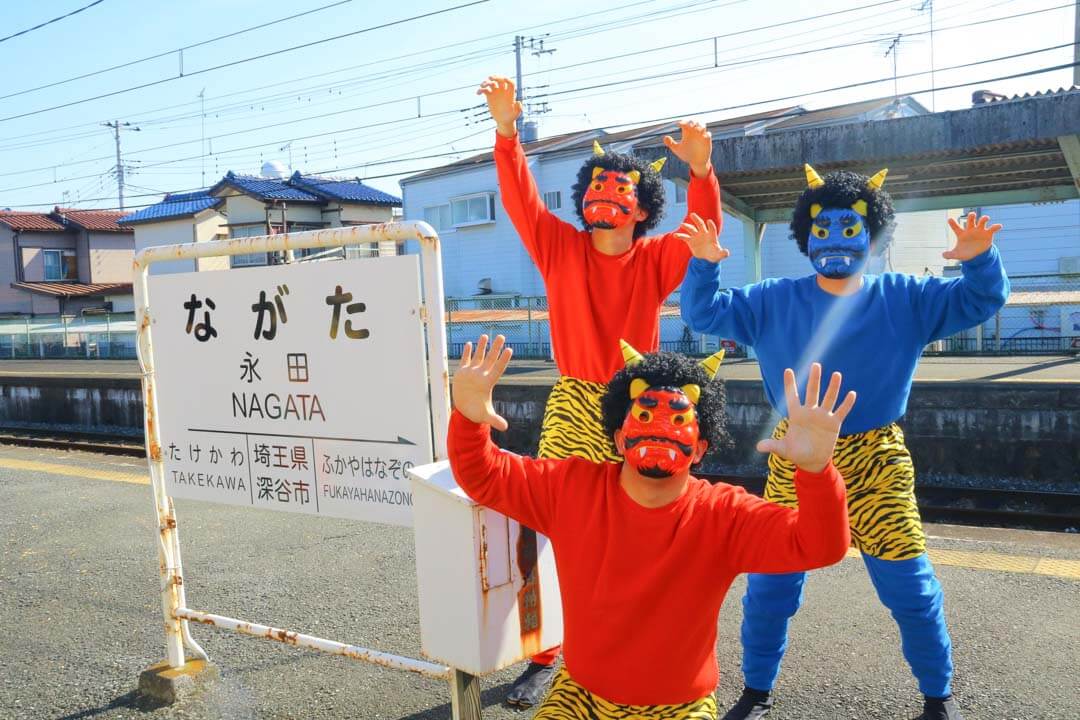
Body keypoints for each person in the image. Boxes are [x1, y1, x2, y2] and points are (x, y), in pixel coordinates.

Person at [678, 164, 1010, 720]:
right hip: (794, 452)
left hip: (875, 454)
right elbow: (703, 312)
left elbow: (980, 301)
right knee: (771, 587)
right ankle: (757, 690)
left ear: (873, 235)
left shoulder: (906, 297)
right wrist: (705, 266)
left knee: (910, 586)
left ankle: (938, 697)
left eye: (849, 228)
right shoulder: (771, 299)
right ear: (806, 236)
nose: (835, 239)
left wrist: (979, 258)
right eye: (823, 229)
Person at [448, 333, 855, 719]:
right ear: (620, 438)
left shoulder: (722, 513)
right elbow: (484, 475)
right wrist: (468, 416)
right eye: (644, 414)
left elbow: (818, 545)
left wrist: (817, 472)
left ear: (699, 449)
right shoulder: (570, 488)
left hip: (681, 706)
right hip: (581, 693)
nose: (660, 427)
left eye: (679, 419)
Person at [477, 74, 724, 705]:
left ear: (641, 207)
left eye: (619, 190)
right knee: (545, 522)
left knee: (637, 527)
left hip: (638, 407)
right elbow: (520, 199)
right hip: (572, 397)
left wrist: (702, 171)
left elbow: (702, 234)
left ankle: (619, 647)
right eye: (595, 188)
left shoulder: (656, 257)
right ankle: (546, 654)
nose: (602, 198)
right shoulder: (557, 244)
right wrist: (507, 133)